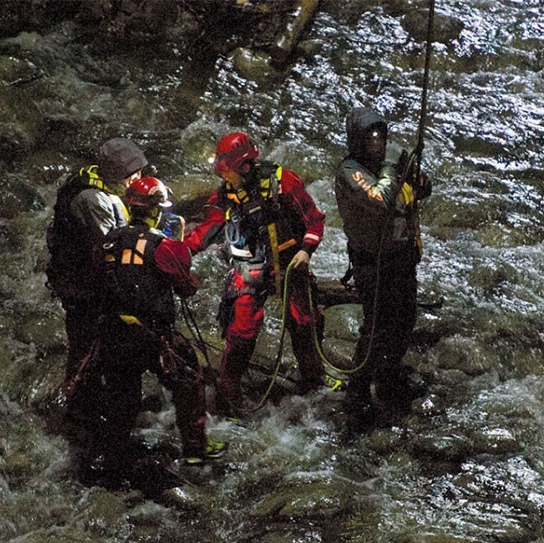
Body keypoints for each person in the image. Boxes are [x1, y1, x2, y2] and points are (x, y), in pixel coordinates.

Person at [68, 176, 224, 490]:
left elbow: (97, 279)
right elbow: (187, 287)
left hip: (113, 334)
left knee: (121, 401)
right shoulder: (164, 245)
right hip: (153, 337)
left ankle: (114, 465)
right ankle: (195, 452)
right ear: (155, 212)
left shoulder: (108, 242)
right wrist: (179, 246)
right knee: (188, 382)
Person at [185, 132, 328, 419]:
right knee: (240, 329)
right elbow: (205, 230)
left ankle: (314, 384)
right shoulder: (225, 195)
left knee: (303, 322)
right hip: (249, 267)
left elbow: (314, 219)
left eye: (229, 172)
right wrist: (177, 254)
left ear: (245, 166)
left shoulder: (283, 183)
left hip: (289, 263)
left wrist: (306, 250)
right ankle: (229, 394)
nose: (225, 178)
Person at [334, 107, 432, 431]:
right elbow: (379, 199)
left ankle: (389, 380)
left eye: (380, 135)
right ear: (357, 140)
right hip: (371, 262)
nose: (377, 142)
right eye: (369, 136)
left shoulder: (391, 167)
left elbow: (421, 190)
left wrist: (413, 175)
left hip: (401, 256)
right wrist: (392, 168)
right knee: (375, 328)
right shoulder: (350, 171)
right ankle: (357, 392)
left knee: (403, 320)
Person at [46, 137, 147, 385]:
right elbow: (111, 242)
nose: (138, 180)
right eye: (132, 175)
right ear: (115, 174)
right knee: (85, 342)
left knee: (102, 338)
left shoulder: (106, 187)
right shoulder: (92, 199)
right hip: (80, 282)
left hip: (89, 275)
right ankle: (76, 395)